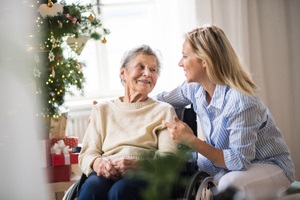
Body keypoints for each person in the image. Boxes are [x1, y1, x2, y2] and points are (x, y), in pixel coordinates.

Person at [159, 25, 295, 199]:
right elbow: (160, 100)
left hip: (269, 166)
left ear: (204, 60)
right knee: (180, 171)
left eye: (185, 56)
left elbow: (239, 161)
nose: (180, 63)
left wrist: (191, 140)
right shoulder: (193, 88)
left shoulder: (241, 100)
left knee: (229, 185)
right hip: (227, 166)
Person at [78, 45, 178, 200]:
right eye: (141, 67)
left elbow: (169, 158)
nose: (147, 73)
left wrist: (139, 166)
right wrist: (98, 163)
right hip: (106, 172)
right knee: (92, 189)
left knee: (120, 191)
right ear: (123, 72)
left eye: (153, 70)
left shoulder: (164, 111)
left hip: (145, 176)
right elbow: (87, 154)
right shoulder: (102, 109)